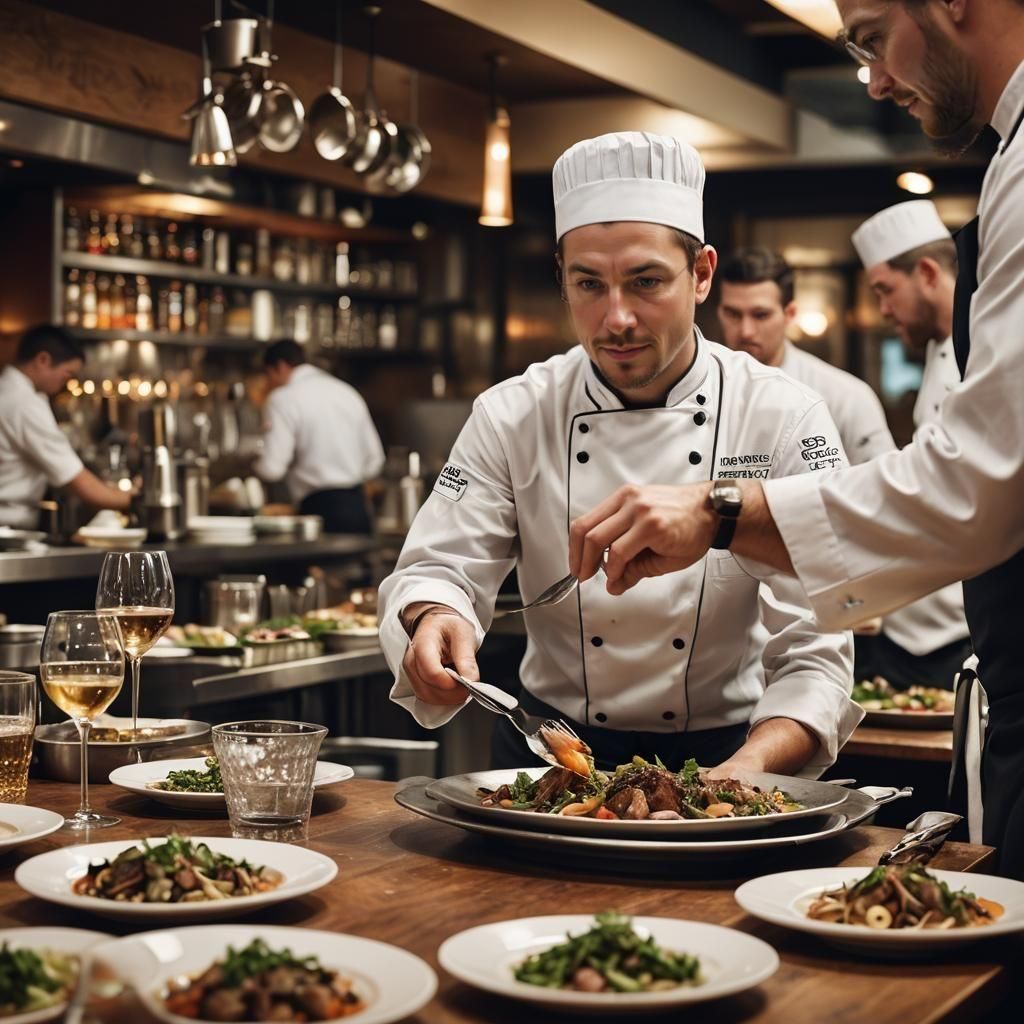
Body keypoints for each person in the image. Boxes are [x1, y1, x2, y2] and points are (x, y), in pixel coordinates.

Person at [567, 0, 1024, 875]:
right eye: (588, 283)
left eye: (871, 38)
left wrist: (721, 511)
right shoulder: (518, 404)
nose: (873, 81)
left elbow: (979, 484)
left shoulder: (799, 402)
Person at [378, 131, 860, 779]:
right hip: (549, 757)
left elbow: (816, 642)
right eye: (588, 284)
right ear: (562, 279)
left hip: (732, 755)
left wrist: (745, 775)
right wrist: (435, 614)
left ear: (702, 274)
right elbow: (440, 565)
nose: (617, 319)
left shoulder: (781, 415)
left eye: (645, 282)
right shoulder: (512, 413)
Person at [716, 245, 970, 689]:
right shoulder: (709, 393)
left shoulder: (844, 397)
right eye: (732, 315)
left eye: (760, 314)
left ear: (789, 313)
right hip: (725, 620)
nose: (745, 330)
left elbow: (887, 506)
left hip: (823, 611)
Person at [0, 324, 131, 528]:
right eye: (67, 373)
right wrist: (135, 500)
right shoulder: (23, 403)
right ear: (43, 360)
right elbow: (79, 483)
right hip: (7, 529)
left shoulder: (9, 392)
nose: (66, 382)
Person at [253, 340, 384, 534]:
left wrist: (252, 464)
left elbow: (272, 469)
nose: (267, 383)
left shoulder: (282, 399)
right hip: (359, 509)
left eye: (268, 374)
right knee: (356, 555)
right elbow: (375, 459)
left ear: (281, 367)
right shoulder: (347, 392)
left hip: (319, 510)